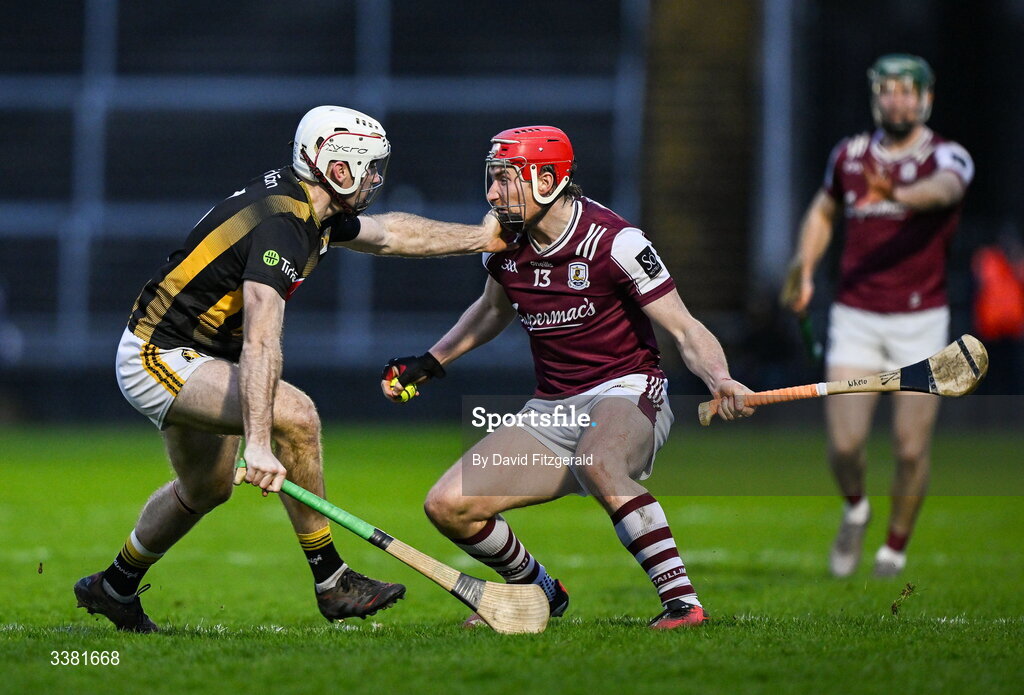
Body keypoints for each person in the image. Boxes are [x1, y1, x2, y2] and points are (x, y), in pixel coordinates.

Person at [74, 105, 513, 632]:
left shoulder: (313, 209)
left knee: (207, 488)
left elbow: (393, 235)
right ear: (336, 165)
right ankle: (332, 581)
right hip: (158, 356)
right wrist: (259, 441)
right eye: (369, 167)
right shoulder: (283, 222)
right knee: (297, 416)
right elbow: (262, 338)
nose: (376, 179)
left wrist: (480, 238)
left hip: (205, 356)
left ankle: (116, 586)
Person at [380, 125, 755, 629]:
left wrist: (721, 377)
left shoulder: (617, 243)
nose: (493, 193)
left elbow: (685, 328)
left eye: (506, 179)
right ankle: (539, 591)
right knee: (448, 505)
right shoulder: (503, 244)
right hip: (552, 407)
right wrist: (433, 360)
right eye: (491, 178)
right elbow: (493, 311)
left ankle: (682, 604)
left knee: (599, 459)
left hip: (627, 389)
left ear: (547, 179)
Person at [781, 55, 974, 577]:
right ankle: (856, 509)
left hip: (921, 321)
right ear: (876, 97)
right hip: (856, 316)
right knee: (845, 445)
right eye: (889, 91)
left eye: (908, 91)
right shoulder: (850, 155)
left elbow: (947, 192)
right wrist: (805, 265)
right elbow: (824, 211)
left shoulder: (947, 156)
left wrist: (899, 194)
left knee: (911, 450)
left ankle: (892, 549)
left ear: (926, 98)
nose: (898, 100)